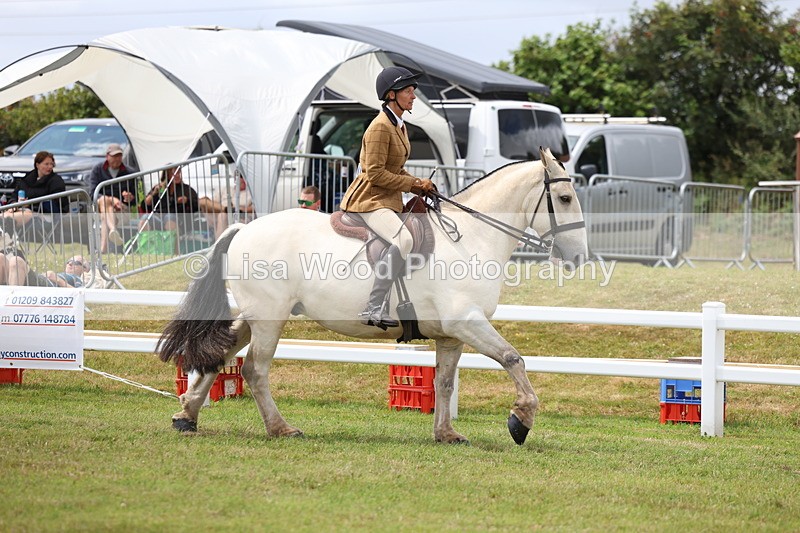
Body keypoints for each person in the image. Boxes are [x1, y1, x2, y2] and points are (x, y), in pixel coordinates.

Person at [339, 66, 435, 329]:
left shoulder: (398, 125)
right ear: (391, 95)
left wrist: (419, 186)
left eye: (413, 91)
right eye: (408, 91)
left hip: (387, 198)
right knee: (403, 240)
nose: (413, 96)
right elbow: (375, 174)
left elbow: (394, 168)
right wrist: (413, 183)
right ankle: (374, 306)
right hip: (370, 200)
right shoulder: (380, 127)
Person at [2, 150, 67, 234]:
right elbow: (14, 194)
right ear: (37, 165)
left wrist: (30, 204)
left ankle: (8, 240)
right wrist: (14, 204)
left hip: (43, 215)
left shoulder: (56, 181)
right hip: (21, 209)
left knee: (8, 219)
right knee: (4, 215)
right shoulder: (27, 179)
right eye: (46, 164)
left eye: (51, 164)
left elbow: (58, 203)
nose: (50, 167)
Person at [89, 143, 138, 252]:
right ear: (107, 156)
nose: (117, 159)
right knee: (104, 201)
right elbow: (93, 194)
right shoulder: (97, 170)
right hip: (103, 208)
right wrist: (113, 200)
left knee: (105, 214)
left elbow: (135, 201)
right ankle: (112, 231)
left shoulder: (130, 172)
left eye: (119, 156)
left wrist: (129, 198)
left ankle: (103, 249)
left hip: (122, 211)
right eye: (114, 156)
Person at [140, 166, 199, 233]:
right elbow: (144, 206)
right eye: (173, 173)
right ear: (167, 175)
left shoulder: (186, 189)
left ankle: (172, 242)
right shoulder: (160, 188)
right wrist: (154, 193)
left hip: (179, 220)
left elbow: (197, 205)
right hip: (159, 218)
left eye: (178, 173)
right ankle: (145, 242)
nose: (177, 175)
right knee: (145, 218)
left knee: (169, 217)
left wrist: (187, 201)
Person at [199, 174, 255, 240]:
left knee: (222, 216)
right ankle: (226, 209)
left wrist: (239, 209)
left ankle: (219, 247)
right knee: (202, 201)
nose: (242, 180)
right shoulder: (225, 189)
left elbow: (253, 209)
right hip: (219, 212)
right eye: (240, 177)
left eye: (243, 177)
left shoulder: (250, 194)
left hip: (237, 217)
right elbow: (212, 202)